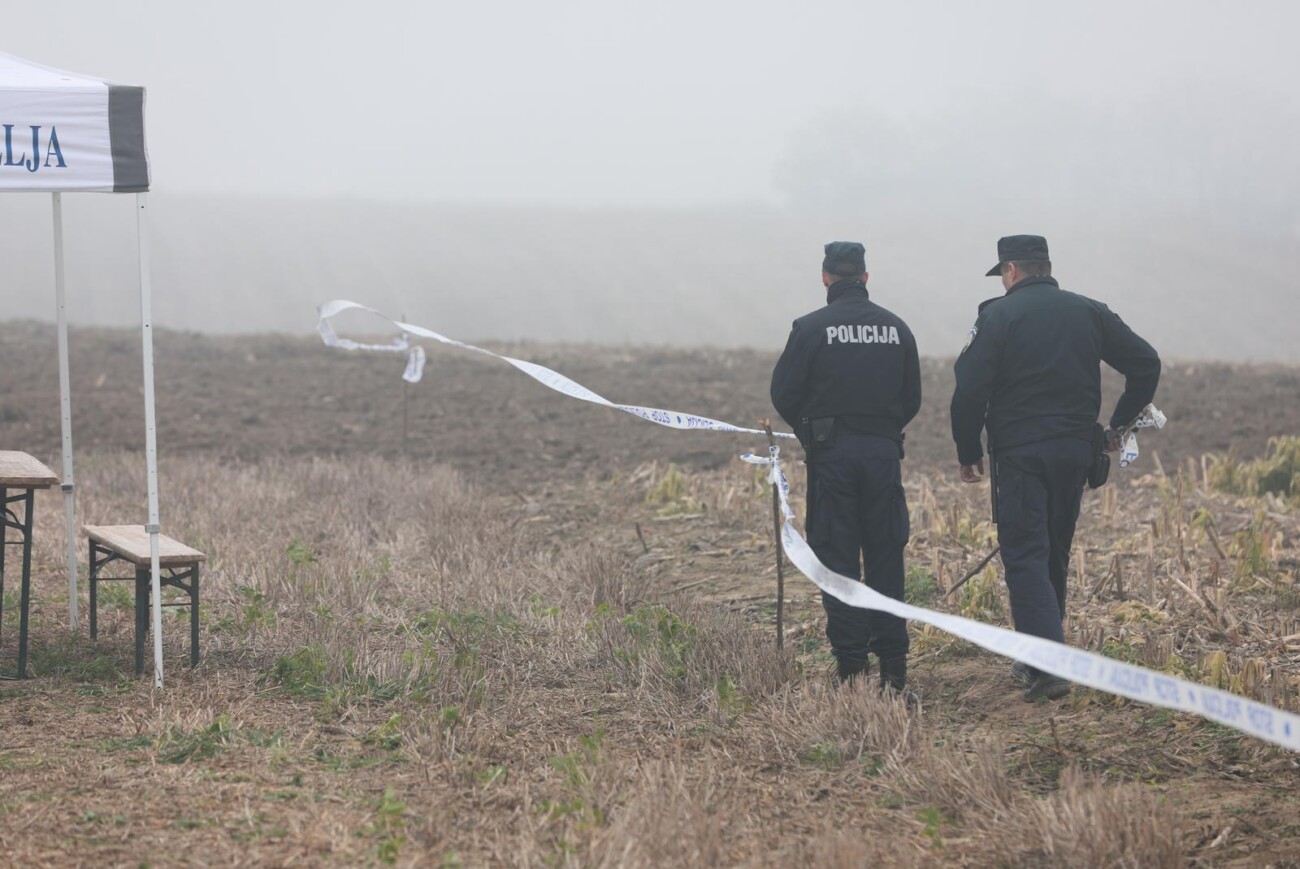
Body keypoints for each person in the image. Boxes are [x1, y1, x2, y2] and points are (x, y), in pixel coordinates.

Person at [950, 235, 1161, 701]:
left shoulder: (997, 316)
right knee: (1052, 552)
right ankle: (1037, 658)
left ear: (1010, 271)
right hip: (1075, 452)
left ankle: (1049, 667)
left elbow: (968, 390)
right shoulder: (1089, 310)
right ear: (1045, 267)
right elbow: (1145, 363)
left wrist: (968, 450)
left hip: (1021, 451)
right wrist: (1118, 427)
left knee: (1025, 554)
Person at [771, 241, 922, 696]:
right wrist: (880, 432)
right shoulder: (897, 329)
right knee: (885, 559)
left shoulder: (811, 328)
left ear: (825, 278)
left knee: (837, 561)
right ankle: (894, 675)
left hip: (831, 458)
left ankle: (851, 672)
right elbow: (911, 398)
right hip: (881, 457)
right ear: (866, 278)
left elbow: (784, 393)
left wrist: (810, 432)